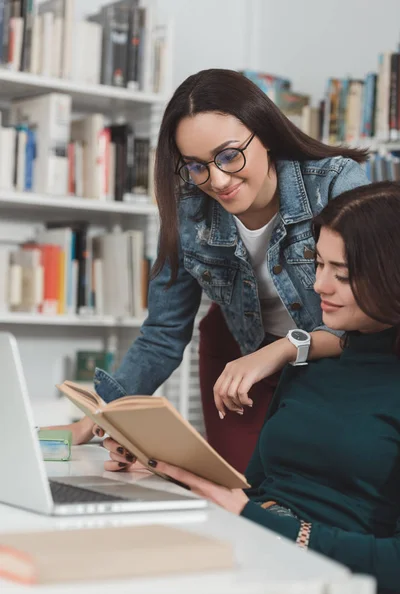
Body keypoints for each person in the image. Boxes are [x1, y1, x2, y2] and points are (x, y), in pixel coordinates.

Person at [100, 181, 400, 594]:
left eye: (342, 274)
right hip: (255, 557)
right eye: (318, 264)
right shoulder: (312, 362)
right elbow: (256, 491)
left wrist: (266, 524)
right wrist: (167, 471)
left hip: (322, 578)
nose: (318, 287)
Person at [61, 68, 370, 472]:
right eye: (196, 165)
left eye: (228, 156)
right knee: (239, 485)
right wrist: (100, 418)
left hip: (334, 357)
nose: (217, 180)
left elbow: (367, 314)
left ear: (265, 133)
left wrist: (282, 350)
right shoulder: (189, 210)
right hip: (238, 357)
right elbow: (162, 335)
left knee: (304, 489)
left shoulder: (333, 184)